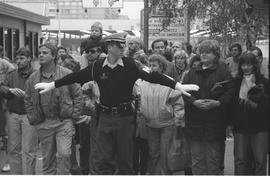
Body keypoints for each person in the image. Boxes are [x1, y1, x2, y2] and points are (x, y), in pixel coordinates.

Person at [34, 32, 199, 174]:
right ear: (110, 47)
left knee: (125, 160)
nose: (123, 49)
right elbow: (76, 77)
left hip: (125, 118)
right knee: (103, 160)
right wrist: (52, 84)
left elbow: (154, 76)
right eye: (120, 46)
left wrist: (178, 85)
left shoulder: (132, 64)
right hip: (104, 118)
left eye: (124, 46)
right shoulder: (98, 66)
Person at [24, 43, 87, 175]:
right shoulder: (33, 78)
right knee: (48, 160)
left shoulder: (66, 74)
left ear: (54, 56)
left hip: (63, 122)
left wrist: (74, 116)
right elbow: (28, 99)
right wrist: (33, 118)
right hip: (43, 123)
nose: (41, 55)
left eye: (45, 53)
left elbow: (78, 95)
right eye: (40, 52)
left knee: (64, 154)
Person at [182, 40, 234, 175]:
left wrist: (218, 103)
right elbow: (184, 91)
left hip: (215, 122)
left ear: (215, 54)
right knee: (197, 159)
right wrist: (194, 102)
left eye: (208, 52)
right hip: (194, 121)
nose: (203, 54)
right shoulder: (192, 72)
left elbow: (230, 92)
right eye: (202, 52)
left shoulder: (223, 71)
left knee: (213, 160)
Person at [139, 54, 185, 174]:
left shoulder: (170, 83)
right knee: (153, 153)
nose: (151, 67)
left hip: (167, 124)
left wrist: (178, 121)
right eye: (149, 65)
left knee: (165, 154)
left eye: (154, 65)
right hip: (150, 125)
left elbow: (178, 104)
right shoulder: (142, 83)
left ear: (162, 67)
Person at [0, 48, 38, 174]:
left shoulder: (37, 75)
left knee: (29, 150)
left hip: (29, 115)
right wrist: (9, 91)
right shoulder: (11, 74)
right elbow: (2, 88)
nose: (18, 61)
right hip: (13, 115)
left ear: (29, 59)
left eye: (22, 58)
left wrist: (27, 94)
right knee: (13, 149)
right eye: (17, 59)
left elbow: (43, 94)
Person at [231, 52, 269, 175]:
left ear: (254, 65)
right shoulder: (236, 82)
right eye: (243, 65)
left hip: (260, 127)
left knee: (260, 159)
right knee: (240, 159)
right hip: (240, 127)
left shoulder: (263, 82)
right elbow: (232, 104)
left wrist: (255, 103)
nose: (246, 67)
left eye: (249, 64)